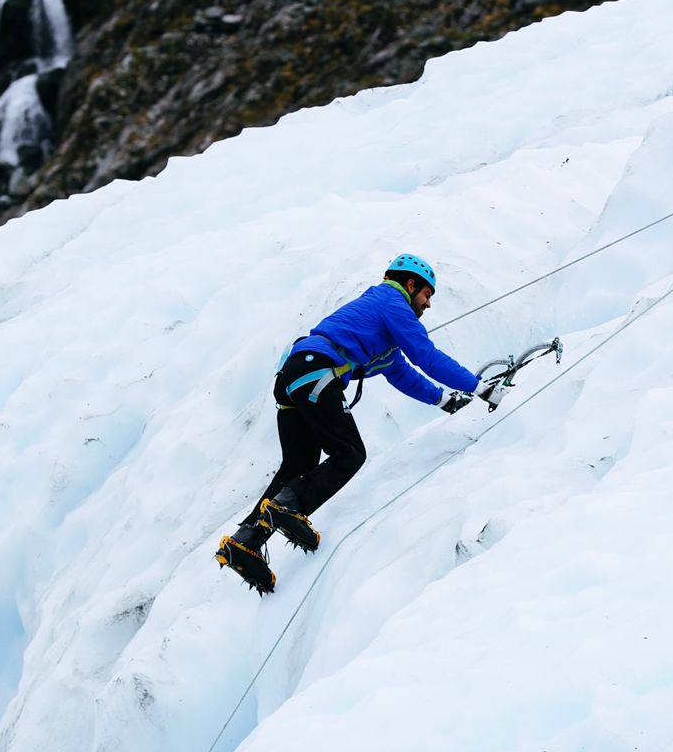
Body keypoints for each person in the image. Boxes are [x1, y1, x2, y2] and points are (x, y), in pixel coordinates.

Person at [216, 253, 504, 594]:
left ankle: (244, 542)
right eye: (427, 295)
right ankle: (287, 508)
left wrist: (445, 400)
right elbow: (425, 355)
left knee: (298, 467)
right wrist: (482, 388)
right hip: (317, 369)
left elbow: (403, 374)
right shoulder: (391, 300)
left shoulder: (380, 329)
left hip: (295, 373)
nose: (428, 305)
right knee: (349, 452)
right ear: (410, 285)